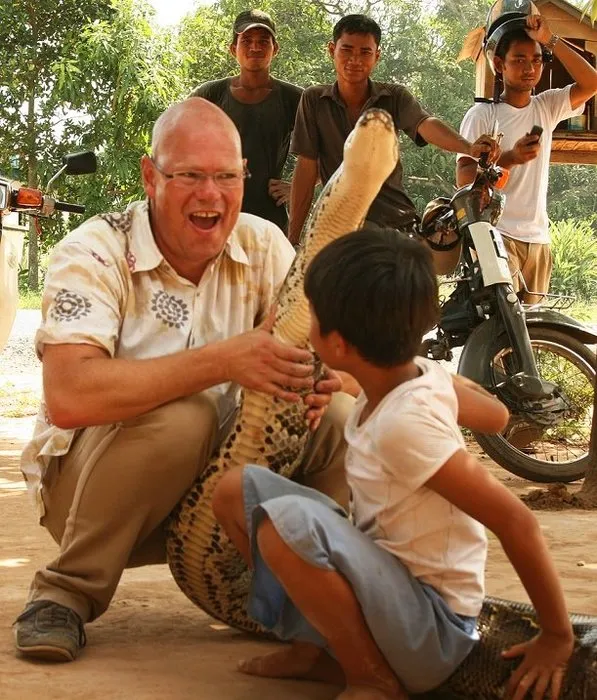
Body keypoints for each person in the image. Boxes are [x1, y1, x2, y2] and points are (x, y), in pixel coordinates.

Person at [13, 97, 354, 663]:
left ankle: (308, 596)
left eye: (227, 176)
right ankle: (63, 593)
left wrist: (326, 384)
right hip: (94, 494)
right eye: (190, 175)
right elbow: (69, 396)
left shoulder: (265, 245)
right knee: (184, 416)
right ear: (151, 176)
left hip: (220, 491)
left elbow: (350, 370)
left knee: (337, 419)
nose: (211, 194)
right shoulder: (95, 250)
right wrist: (225, 361)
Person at [213, 228, 575, 700]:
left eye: (313, 316)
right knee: (236, 490)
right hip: (392, 589)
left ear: (338, 343)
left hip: (431, 630)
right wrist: (354, 383)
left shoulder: (404, 426)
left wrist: (556, 636)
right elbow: (497, 415)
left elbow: (516, 521)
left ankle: (370, 677)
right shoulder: (416, 374)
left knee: (287, 524)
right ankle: (315, 647)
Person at [287, 14, 499, 246]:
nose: (355, 59)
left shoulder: (393, 97)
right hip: (340, 226)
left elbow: (425, 124)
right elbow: (306, 169)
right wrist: (293, 239)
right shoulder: (314, 100)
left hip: (395, 222)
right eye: (347, 50)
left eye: (365, 52)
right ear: (331, 50)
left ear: (377, 56)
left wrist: (468, 147)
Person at [457, 13, 597, 304]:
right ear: (499, 65)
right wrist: (509, 158)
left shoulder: (546, 106)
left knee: (532, 334)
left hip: (538, 238)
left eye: (536, 60)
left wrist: (551, 39)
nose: (530, 68)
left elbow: (591, 83)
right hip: (495, 234)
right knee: (499, 327)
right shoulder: (482, 116)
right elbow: (464, 182)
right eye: (519, 59)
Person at [191, 9, 303, 234]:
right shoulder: (209, 95)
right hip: (214, 216)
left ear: (275, 48)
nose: (255, 47)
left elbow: (329, 147)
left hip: (270, 221)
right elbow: (177, 146)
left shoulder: (295, 98)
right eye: (247, 41)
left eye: (263, 41)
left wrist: (297, 188)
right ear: (233, 49)